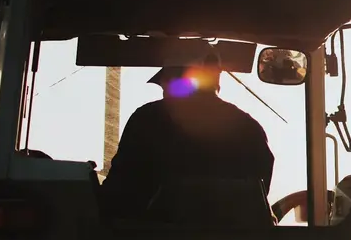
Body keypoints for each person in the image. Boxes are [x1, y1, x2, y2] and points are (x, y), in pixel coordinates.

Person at [98, 52, 276, 223]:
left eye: (165, 82)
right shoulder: (249, 127)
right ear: (215, 80)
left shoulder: (147, 119)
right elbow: (258, 196)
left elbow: (117, 195)